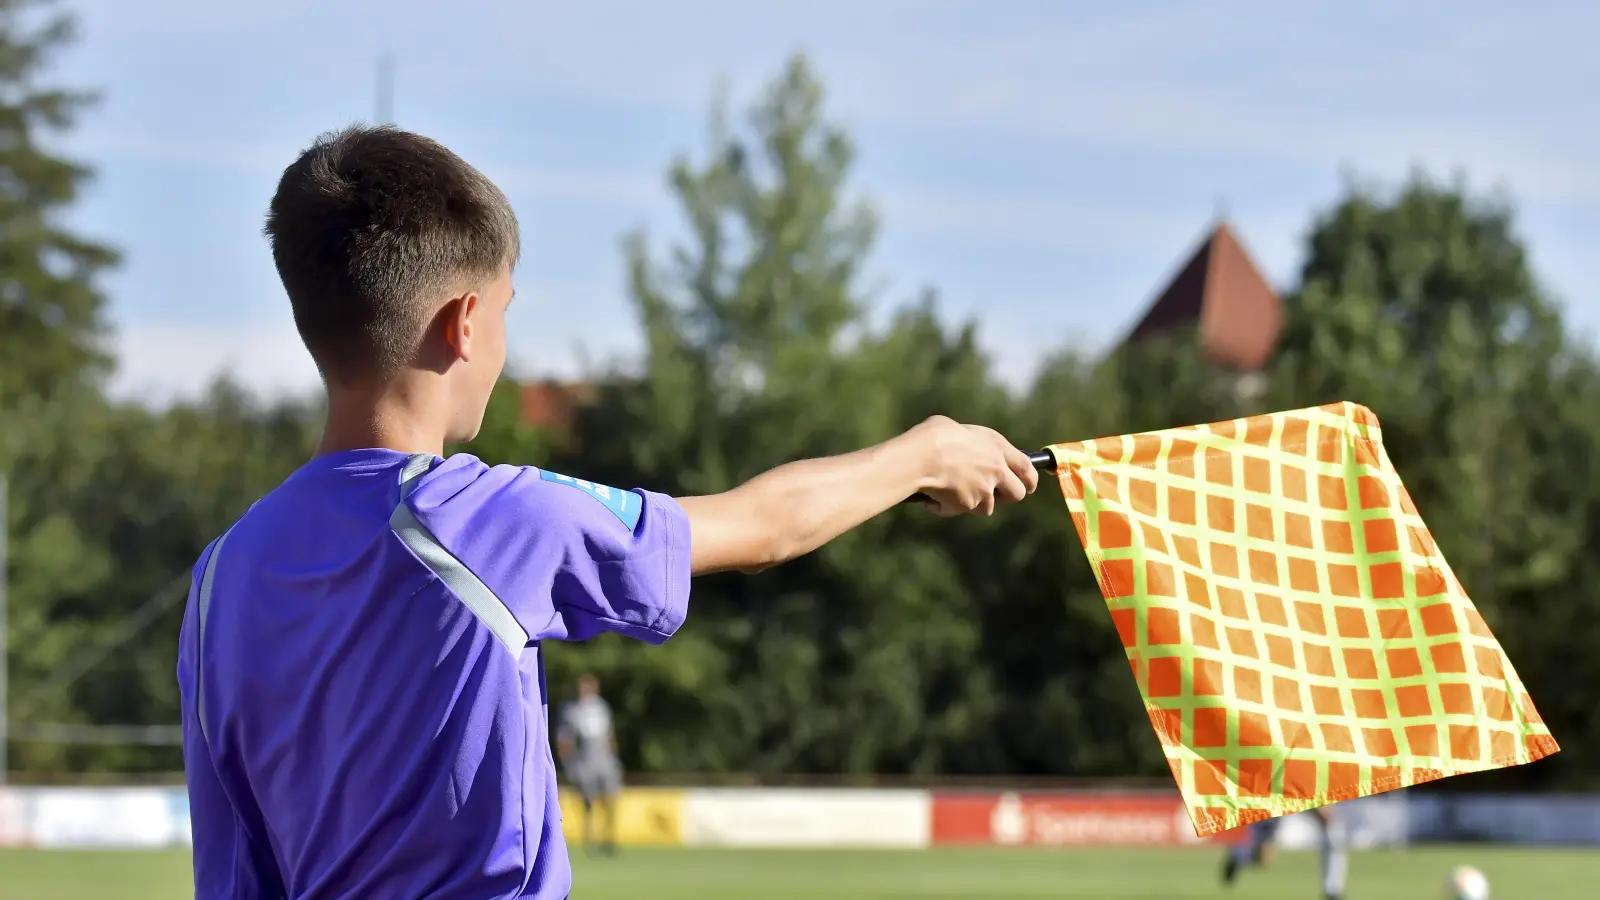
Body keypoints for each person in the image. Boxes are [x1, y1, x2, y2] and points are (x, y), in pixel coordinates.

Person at [175, 124, 1040, 900]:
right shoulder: (478, 521)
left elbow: (234, 867)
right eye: (507, 311)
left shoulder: (221, 575)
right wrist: (922, 455)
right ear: (466, 323)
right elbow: (763, 527)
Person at [556, 674, 622, 856]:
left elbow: (609, 735)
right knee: (588, 801)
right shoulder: (572, 711)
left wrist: (612, 757)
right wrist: (569, 764)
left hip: (604, 759)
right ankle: (590, 839)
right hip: (584, 760)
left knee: (610, 799)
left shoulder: (602, 708)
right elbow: (565, 740)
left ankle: (609, 838)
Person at [1221, 806, 1347, 900]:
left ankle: (1332, 891)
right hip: (1278, 789)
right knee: (1262, 859)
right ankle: (1238, 857)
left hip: (1302, 785)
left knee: (1329, 825)